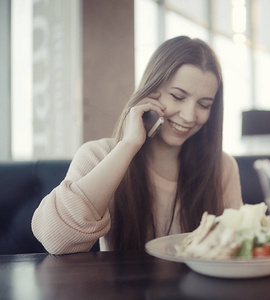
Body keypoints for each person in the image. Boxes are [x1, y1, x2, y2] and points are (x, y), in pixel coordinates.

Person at [32, 36, 243, 254]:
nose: (189, 116)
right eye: (177, 96)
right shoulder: (97, 155)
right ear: (150, 90)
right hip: (123, 288)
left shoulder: (222, 166)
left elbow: (238, 248)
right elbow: (56, 240)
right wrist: (128, 145)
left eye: (204, 104)